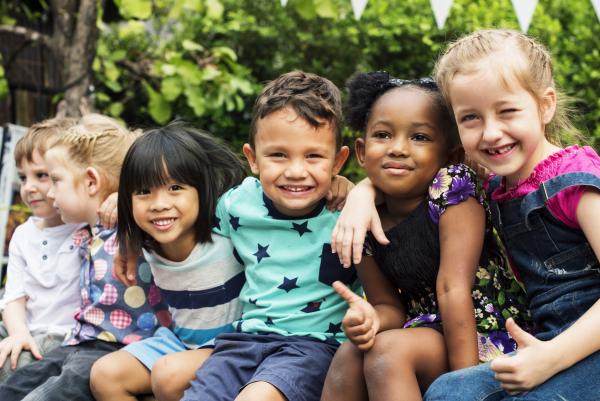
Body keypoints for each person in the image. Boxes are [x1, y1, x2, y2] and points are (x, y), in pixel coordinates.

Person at [320, 71, 529, 401]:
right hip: (424, 332)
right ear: (361, 150)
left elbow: (452, 287)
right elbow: (389, 305)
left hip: (482, 335)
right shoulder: (362, 220)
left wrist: (466, 385)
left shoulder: (452, 188)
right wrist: (370, 320)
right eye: (383, 135)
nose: (398, 149)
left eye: (419, 137)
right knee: (350, 353)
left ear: (450, 155)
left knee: (388, 353)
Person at [423, 28, 600, 401]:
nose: (491, 133)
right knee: (449, 392)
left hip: (582, 344)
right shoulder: (496, 185)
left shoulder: (576, 182)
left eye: (507, 111)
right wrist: (361, 194)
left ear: (545, 105)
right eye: (470, 118)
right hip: (548, 341)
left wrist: (552, 358)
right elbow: (404, 177)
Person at [170, 70, 359, 401]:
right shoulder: (237, 204)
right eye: (278, 155)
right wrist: (122, 210)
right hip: (244, 342)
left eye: (313, 156)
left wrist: (360, 192)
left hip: (315, 347)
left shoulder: (350, 212)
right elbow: (178, 222)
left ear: (338, 160)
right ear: (253, 159)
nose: (296, 170)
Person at [0, 114, 169, 401]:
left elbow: (150, 178)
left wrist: (124, 197)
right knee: (9, 390)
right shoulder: (83, 233)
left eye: (53, 180)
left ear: (91, 182)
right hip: (81, 342)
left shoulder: (132, 224)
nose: (48, 193)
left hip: (118, 346)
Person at [89, 123, 246, 401]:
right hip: (181, 343)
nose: (159, 203)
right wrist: (127, 236)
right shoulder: (145, 242)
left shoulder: (227, 230)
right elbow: (124, 211)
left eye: (175, 187)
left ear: (201, 189)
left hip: (235, 344)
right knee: (104, 375)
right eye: (144, 192)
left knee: (169, 375)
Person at [0, 118, 82, 382]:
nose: (29, 187)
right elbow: (14, 296)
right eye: (23, 177)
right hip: (22, 327)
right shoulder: (24, 234)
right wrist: (18, 333)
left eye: (42, 176)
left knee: (13, 367)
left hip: (65, 336)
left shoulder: (89, 228)